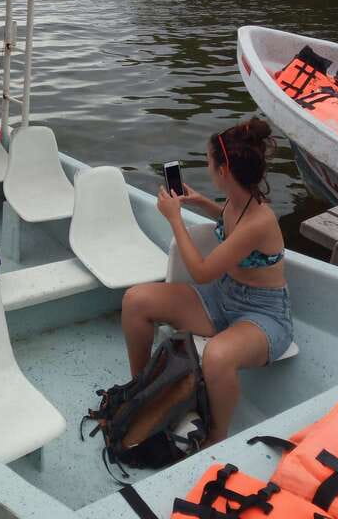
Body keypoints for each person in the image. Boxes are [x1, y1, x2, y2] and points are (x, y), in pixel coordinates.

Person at [121, 117, 293, 446]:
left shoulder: (260, 219)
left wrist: (175, 219)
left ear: (224, 171)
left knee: (216, 356)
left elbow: (200, 271)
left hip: (263, 315)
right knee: (136, 301)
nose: (208, 166)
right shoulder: (237, 200)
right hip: (222, 297)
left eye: (210, 162)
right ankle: (143, 389)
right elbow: (227, 220)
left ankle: (217, 437)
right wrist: (201, 202)